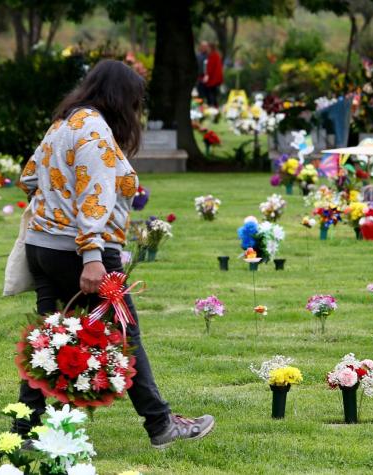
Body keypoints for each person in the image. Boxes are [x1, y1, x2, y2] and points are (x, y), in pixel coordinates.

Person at [14, 59, 215, 449]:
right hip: (82, 251)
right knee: (126, 333)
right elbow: (95, 197)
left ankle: (24, 430)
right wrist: (91, 255)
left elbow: (28, 178)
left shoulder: (63, 124)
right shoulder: (95, 132)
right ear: (121, 98)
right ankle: (161, 425)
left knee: (47, 339)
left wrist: (55, 209)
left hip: (43, 246)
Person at [202, 43, 223, 107]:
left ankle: (212, 106)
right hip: (214, 79)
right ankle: (214, 106)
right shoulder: (216, 55)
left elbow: (210, 68)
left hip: (213, 79)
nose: (207, 49)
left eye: (208, 48)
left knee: (211, 93)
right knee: (213, 93)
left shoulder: (213, 56)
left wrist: (207, 76)